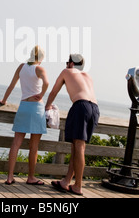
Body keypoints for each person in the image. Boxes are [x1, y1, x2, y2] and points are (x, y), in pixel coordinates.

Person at [45, 53, 100, 196]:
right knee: (76, 147)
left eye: (67, 62)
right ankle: (66, 181)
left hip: (81, 106)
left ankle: (78, 186)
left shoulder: (66, 72)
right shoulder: (88, 76)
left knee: (79, 147)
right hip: (94, 109)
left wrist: (47, 107)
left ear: (71, 63)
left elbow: (54, 91)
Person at [0, 45, 49, 185]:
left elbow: (11, 85)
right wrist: (41, 95)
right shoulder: (39, 68)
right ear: (41, 58)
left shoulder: (21, 67)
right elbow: (47, 83)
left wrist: (3, 100)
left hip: (23, 106)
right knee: (34, 146)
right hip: (36, 108)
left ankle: (9, 177)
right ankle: (31, 177)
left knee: (16, 143)